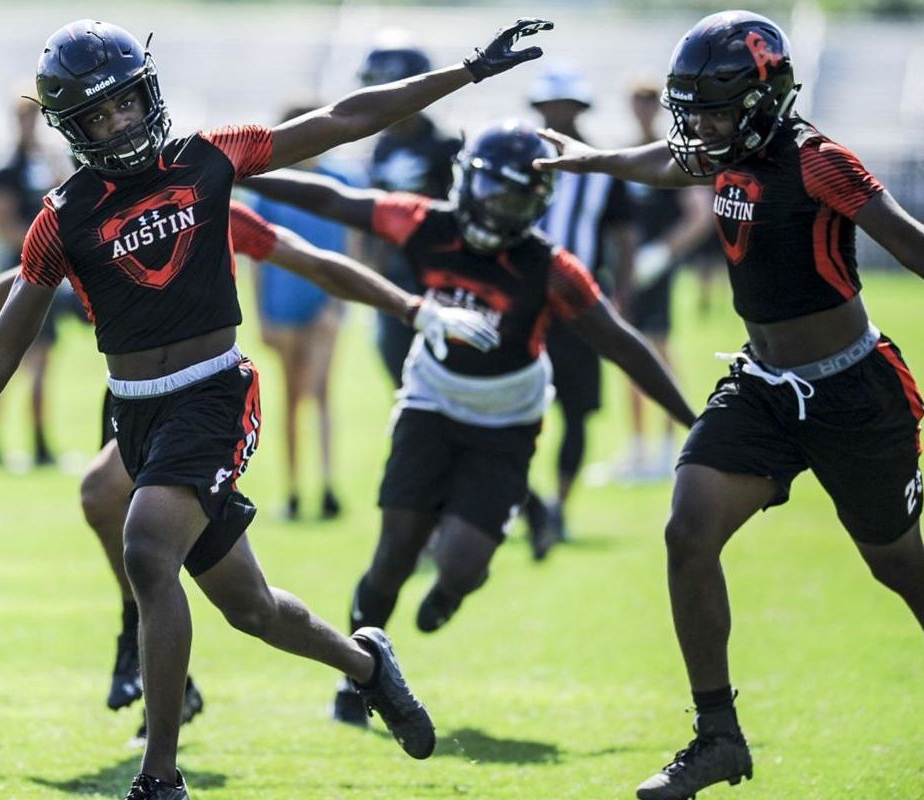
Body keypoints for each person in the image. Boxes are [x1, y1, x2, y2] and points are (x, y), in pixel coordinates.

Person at [0, 17, 553, 800]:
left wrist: (466, 71)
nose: (117, 124)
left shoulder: (209, 160)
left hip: (215, 391)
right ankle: (366, 664)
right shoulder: (62, 217)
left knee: (148, 546)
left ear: (148, 95)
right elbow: (4, 348)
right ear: (72, 128)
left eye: (125, 104)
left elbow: (344, 119)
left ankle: (160, 778)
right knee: (250, 608)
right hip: (136, 413)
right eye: (96, 115)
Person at [534, 11, 924, 800]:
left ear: (764, 100)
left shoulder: (818, 160)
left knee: (898, 564)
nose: (700, 127)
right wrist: (590, 160)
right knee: (688, 529)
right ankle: (718, 736)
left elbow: (912, 242)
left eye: (715, 110)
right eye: (692, 110)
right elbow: (668, 160)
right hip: (763, 386)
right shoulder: (725, 152)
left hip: (852, 392)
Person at [0, 200, 485, 741]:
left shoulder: (206, 194)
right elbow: (22, 283)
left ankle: (148, 717)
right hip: (131, 399)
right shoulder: (88, 210)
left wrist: (410, 308)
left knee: (112, 507)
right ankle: (365, 665)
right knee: (251, 608)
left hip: (204, 403)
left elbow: (309, 257)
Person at [243, 120, 696, 727]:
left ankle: (451, 592)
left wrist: (694, 422)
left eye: (512, 198)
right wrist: (241, 171)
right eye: (488, 190)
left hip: (507, 420)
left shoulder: (552, 268)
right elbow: (334, 200)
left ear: (535, 206)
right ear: (464, 181)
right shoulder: (422, 221)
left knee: (463, 564)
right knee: (394, 553)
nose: (493, 208)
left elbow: (621, 343)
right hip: (431, 400)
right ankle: (356, 677)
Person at [522, 62, 638, 557]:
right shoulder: (520, 155)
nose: (557, 114)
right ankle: (522, 505)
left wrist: (623, 299)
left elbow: (624, 236)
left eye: (565, 105)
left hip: (579, 305)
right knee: (517, 408)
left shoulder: (600, 165)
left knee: (575, 411)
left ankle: (559, 506)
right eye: (550, 105)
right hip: (523, 303)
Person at [250, 105, 362, 520]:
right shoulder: (269, 186)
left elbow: (351, 245)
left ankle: (328, 486)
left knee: (321, 391)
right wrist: (261, 315)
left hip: (323, 306)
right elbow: (256, 254)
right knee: (292, 397)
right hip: (283, 305)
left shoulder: (343, 180)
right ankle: (295, 490)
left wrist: (337, 304)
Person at [614, 80, 714, 481]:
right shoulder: (625, 154)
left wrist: (663, 253)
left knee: (658, 352)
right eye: (635, 100)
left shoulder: (673, 153)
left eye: (648, 101)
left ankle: (671, 445)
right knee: (626, 352)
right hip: (626, 271)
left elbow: (700, 214)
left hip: (653, 271)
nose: (641, 108)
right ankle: (637, 448)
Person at [356, 45, 463, 388]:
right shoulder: (380, 147)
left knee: (447, 376)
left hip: (439, 279)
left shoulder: (446, 147)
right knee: (400, 375)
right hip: (392, 277)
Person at [0, 95, 75, 466]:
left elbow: (68, 190)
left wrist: (51, 157)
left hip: (45, 268)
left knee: (40, 360)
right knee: (9, 358)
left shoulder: (43, 161)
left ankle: (37, 442)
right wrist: (40, 241)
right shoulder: (6, 168)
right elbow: (2, 225)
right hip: (19, 269)